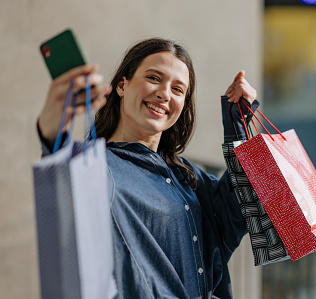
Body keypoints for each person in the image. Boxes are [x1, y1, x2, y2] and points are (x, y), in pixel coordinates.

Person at [37, 37, 258, 298]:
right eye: (154, 78)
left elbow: (242, 210)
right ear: (122, 85)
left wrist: (239, 132)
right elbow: (61, 166)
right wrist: (53, 123)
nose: (165, 93)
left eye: (178, 90)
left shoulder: (190, 178)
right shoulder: (95, 167)